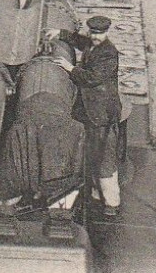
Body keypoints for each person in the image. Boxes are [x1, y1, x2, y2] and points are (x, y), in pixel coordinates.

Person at [45, 14, 124, 217]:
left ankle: (112, 203)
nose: (96, 38)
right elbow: (79, 41)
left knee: (104, 158)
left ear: (107, 33)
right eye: (94, 33)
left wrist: (70, 68)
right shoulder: (92, 43)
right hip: (88, 111)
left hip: (101, 115)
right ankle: (97, 195)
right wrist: (60, 34)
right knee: (92, 155)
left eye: (100, 34)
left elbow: (92, 78)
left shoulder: (109, 53)